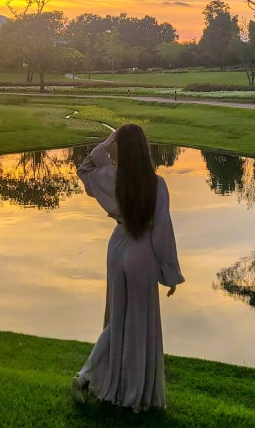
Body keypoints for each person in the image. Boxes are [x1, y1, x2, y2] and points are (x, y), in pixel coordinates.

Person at [72, 124, 184, 411]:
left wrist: (109, 141)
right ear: (145, 149)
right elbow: (162, 230)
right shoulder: (156, 184)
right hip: (141, 252)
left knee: (116, 321)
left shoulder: (111, 177)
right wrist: (169, 272)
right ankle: (131, 390)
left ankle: (88, 376)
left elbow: (85, 167)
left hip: (118, 247)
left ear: (121, 149)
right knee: (138, 323)